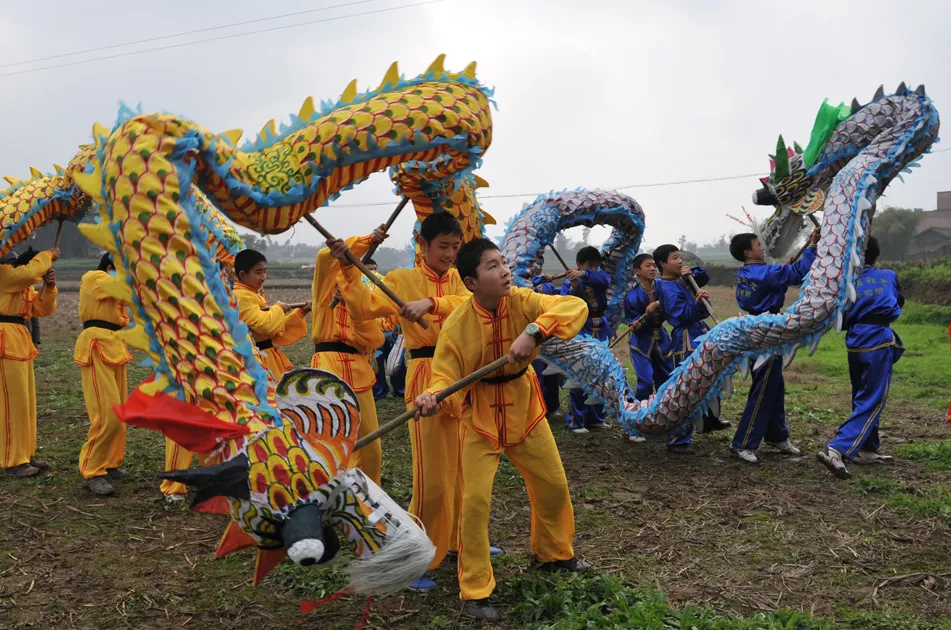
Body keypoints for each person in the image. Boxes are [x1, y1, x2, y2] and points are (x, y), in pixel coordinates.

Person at [415, 238, 590, 622]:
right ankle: (476, 589)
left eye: (503, 262)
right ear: (472, 282)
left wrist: (535, 331)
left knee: (552, 484)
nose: (504, 270)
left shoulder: (523, 301)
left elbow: (573, 306)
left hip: (525, 408)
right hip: (479, 417)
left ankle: (553, 555)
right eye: (492, 266)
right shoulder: (457, 325)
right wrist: (431, 396)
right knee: (475, 504)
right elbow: (443, 375)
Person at [330, 213, 488, 592]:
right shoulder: (401, 280)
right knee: (432, 478)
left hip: (463, 377)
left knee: (466, 471)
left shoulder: (460, 278)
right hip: (424, 376)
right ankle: (418, 557)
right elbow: (364, 307)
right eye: (443, 247)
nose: (450, 254)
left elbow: (472, 303)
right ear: (423, 243)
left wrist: (431, 303)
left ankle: (458, 543)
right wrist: (347, 267)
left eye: (455, 247)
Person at [729, 230, 818, 464]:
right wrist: (812, 247)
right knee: (765, 386)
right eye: (758, 244)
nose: (762, 247)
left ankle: (777, 435)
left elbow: (783, 277)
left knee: (775, 385)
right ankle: (744, 442)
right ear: (748, 252)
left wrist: (786, 270)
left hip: (758, 326)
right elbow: (797, 273)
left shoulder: (749, 272)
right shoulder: (763, 272)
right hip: (766, 330)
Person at [818, 237, 904, 479]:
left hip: (855, 340)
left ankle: (867, 449)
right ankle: (837, 447)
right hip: (878, 339)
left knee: (861, 395)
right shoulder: (888, 275)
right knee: (874, 398)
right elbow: (899, 302)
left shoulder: (846, 281)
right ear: (876, 254)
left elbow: (838, 314)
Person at [313, 226, 387, 485]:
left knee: (371, 446)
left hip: (359, 368)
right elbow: (325, 257)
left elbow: (377, 336)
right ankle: (326, 501)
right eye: (345, 265)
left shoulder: (361, 296)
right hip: (328, 366)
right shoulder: (325, 284)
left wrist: (356, 306)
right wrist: (367, 239)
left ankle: (369, 501)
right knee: (331, 441)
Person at [653, 244, 730, 454]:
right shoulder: (666, 287)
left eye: (680, 257)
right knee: (687, 385)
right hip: (686, 338)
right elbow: (682, 315)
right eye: (675, 258)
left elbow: (702, 276)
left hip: (699, 332)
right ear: (663, 263)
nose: (680, 261)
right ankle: (678, 438)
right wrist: (697, 304)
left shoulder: (680, 279)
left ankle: (708, 419)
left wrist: (691, 274)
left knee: (709, 376)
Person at [75, 253, 133, 495]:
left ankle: (109, 464)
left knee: (119, 413)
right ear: (110, 267)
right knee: (106, 415)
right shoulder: (93, 278)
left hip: (115, 343)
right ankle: (92, 471)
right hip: (96, 343)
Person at [0, 246, 59, 477]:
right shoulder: (5, 275)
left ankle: (25, 454)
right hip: (5, 341)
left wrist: (49, 286)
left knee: (25, 403)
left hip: (19, 340)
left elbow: (41, 309)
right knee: (10, 405)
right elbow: (26, 274)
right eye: (14, 262)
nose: (17, 266)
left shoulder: (20, 284)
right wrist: (47, 255)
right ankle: (12, 460)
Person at [232, 249, 311, 380]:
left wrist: (302, 311)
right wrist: (278, 308)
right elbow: (266, 326)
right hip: (256, 360)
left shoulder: (251, 294)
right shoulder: (241, 296)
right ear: (243, 274)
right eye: (258, 272)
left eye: (264, 271)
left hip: (267, 356)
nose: (263, 277)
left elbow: (276, 328)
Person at [560, 246, 612, 433]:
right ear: (579, 264)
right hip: (581, 328)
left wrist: (583, 274)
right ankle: (576, 421)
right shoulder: (569, 284)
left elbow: (604, 280)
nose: (594, 269)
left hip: (601, 330)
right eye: (589, 266)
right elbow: (566, 306)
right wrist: (575, 289)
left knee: (602, 374)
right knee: (580, 375)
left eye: (596, 266)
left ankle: (596, 419)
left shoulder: (598, 278)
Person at [622, 253, 672, 443]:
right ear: (637, 271)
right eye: (647, 266)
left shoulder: (662, 287)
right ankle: (633, 427)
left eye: (653, 265)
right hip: (641, 343)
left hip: (662, 340)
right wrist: (637, 322)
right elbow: (631, 320)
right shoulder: (632, 296)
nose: (652, 268)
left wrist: (657, 304)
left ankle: (661, 422)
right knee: (644, 381)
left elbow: (672, 301)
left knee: (666, 382)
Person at [531, 273, 563, 418]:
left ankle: (551, 407)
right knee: (537, 373)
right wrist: (537, 280)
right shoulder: (521, 284)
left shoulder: (549, 287)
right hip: (533, 333)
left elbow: (563, 296)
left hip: (550, 333)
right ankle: (537, 408)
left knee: (552, 372)